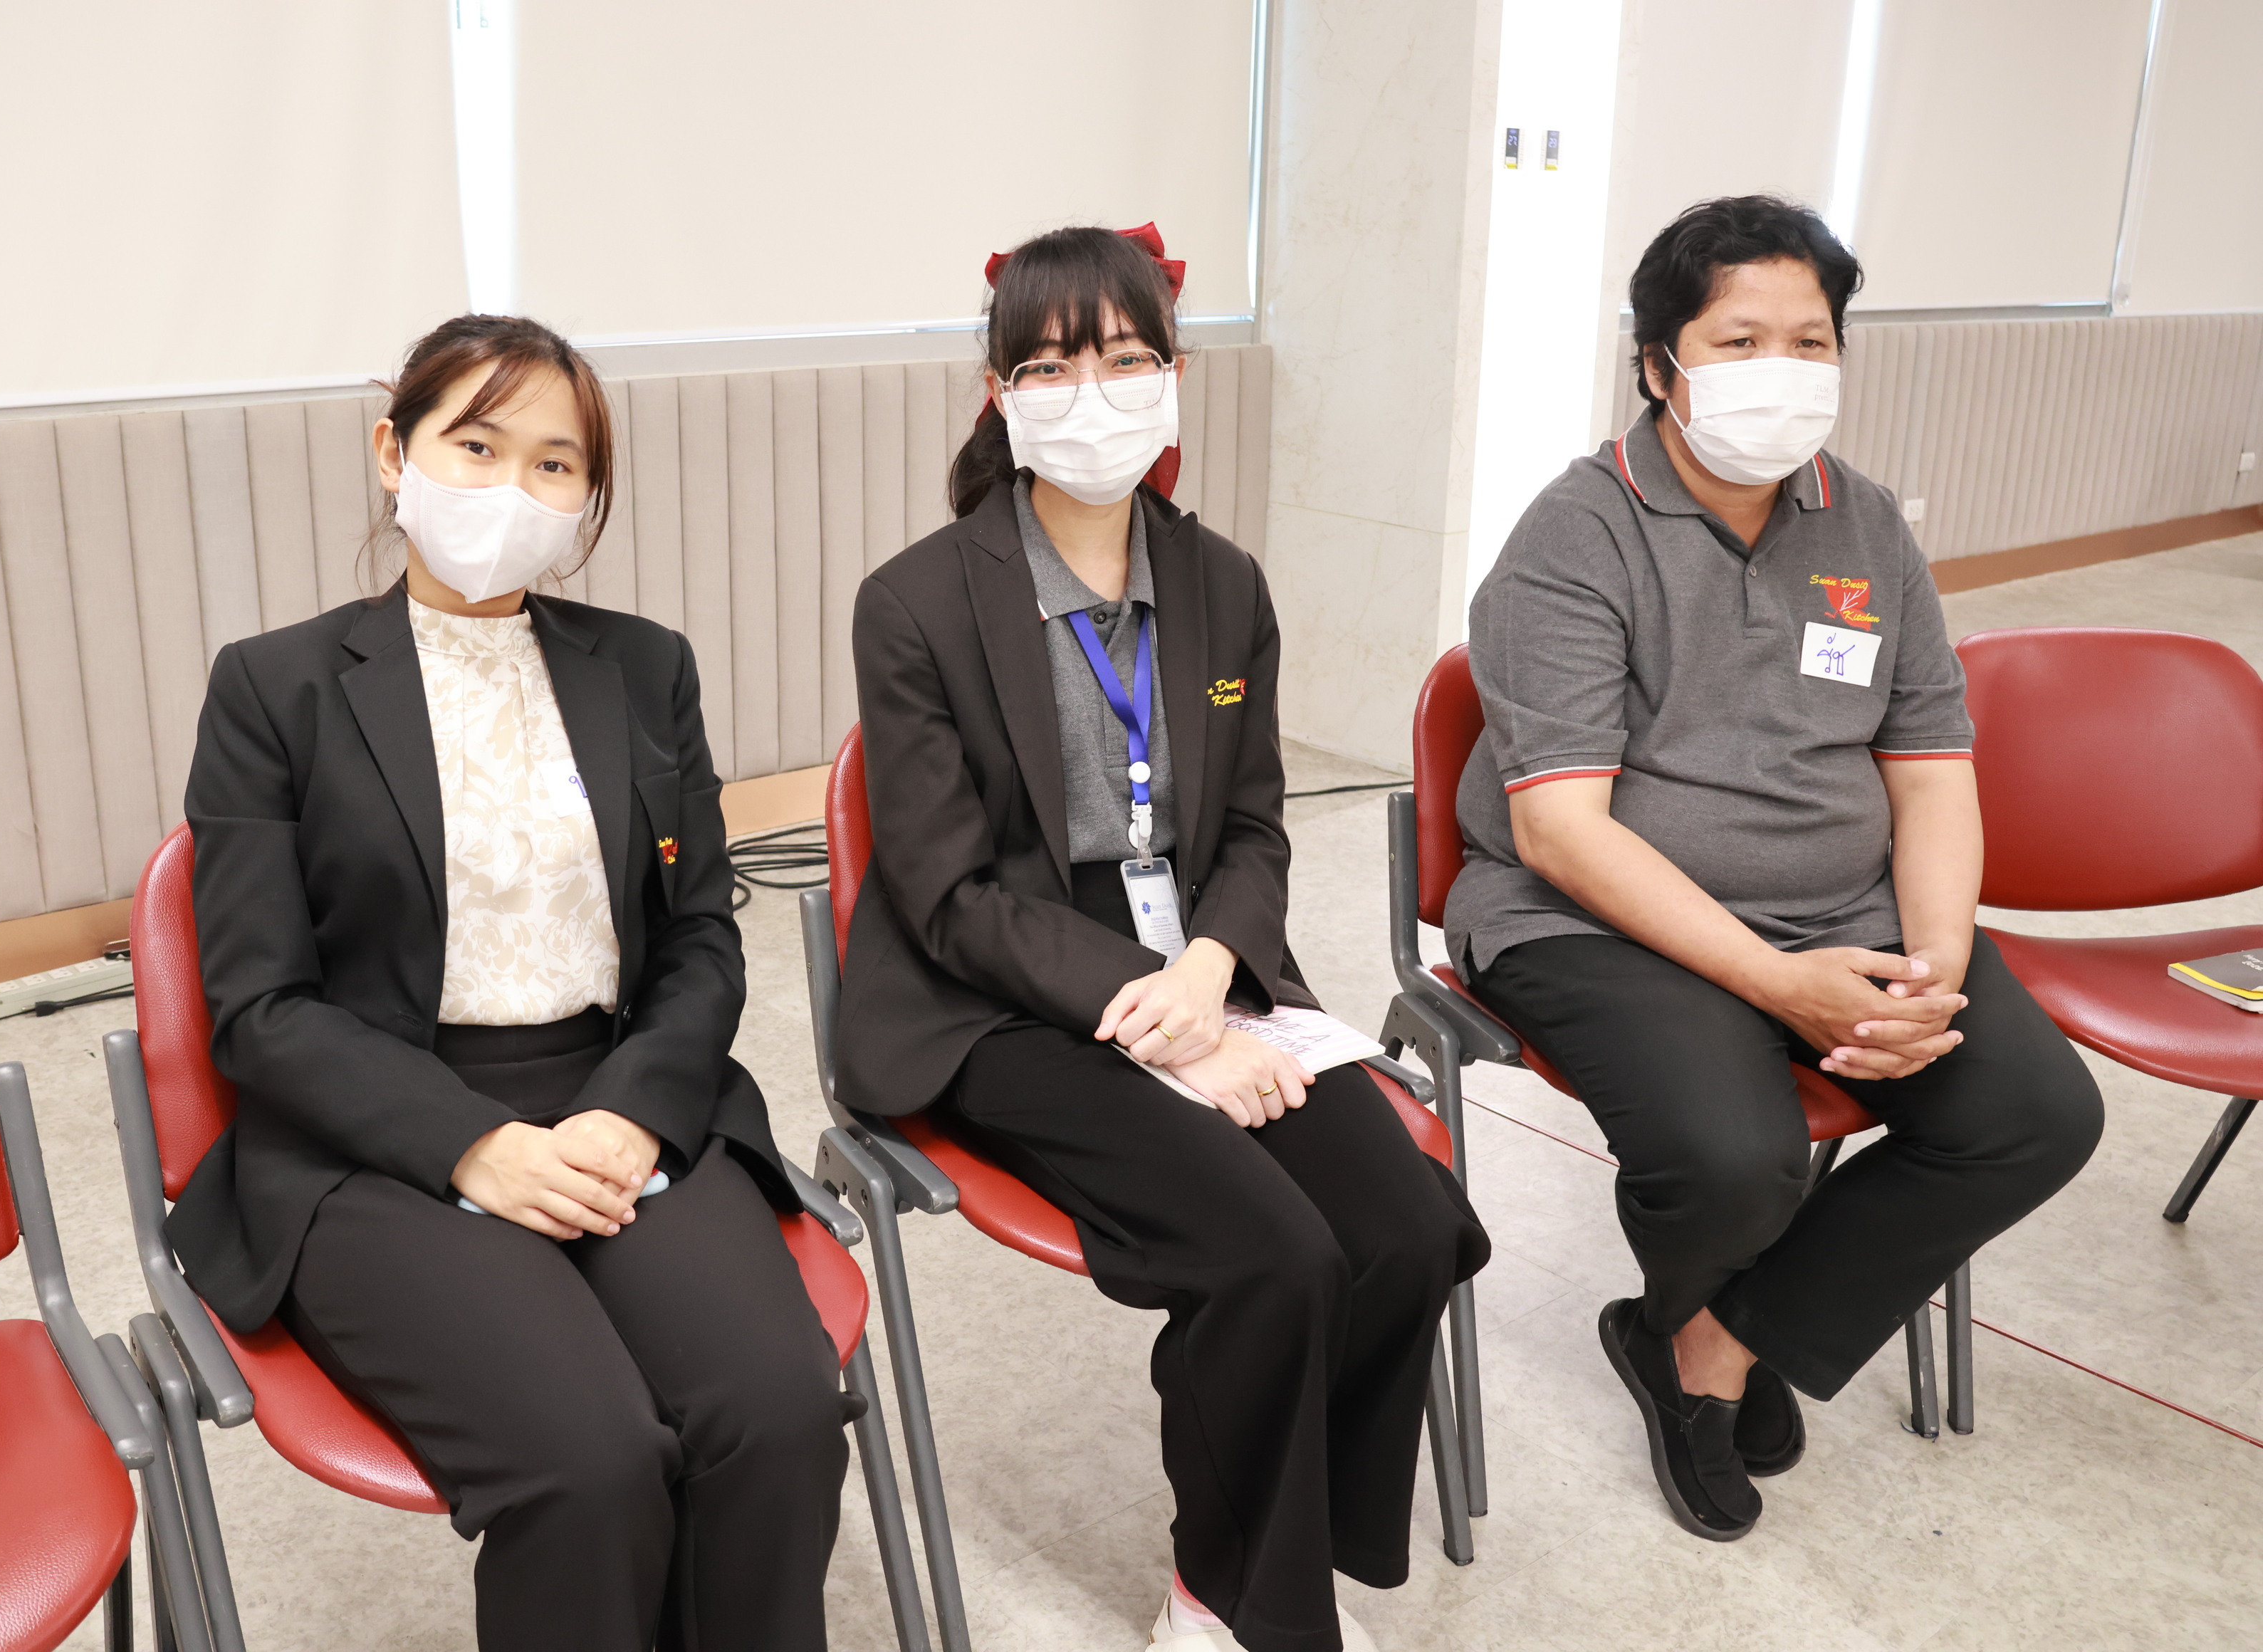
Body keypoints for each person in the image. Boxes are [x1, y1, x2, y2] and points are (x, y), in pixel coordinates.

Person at [841, 224, 1489, 1652]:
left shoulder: (1223, 583)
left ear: (1175, 374)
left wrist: (1207, 976)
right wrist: (1166, 1025)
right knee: (1273, 1254)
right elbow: (948, 894)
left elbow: (1254, 828)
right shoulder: (918, 602)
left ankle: (1290, 1547)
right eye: (1051, 366)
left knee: (1409, 1229)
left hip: (1196, 959)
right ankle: (1231, 1597)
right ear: (1000, 393)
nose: (1096, 392)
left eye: (1129, 358)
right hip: (1000, 990)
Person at [165, 315, 847, 1649]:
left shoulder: (645, 666)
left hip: (616, 1091)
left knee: (777, 1415)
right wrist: (470, 1144)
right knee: (589, 1463)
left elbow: (701, 938)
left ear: (585, 498)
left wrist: (635, 1110)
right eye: (475, 448)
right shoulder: (274, 688)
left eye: (553, 464)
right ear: (393, 453)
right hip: (377, 1127)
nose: (510, 490)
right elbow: (259, 1009)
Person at [1448, 196, 2103, 1541]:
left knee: (2035, 1116)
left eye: (1810, 342)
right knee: (1734, 1157)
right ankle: (1713, 1333)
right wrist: (1779, 983)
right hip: (1595, 919)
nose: (1781, 371)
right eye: (1738, 341)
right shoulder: (1575, 535)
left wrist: (1931, 969)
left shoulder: (1867, 526)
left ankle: (1706, 1341)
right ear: (1658, 365)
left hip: (1841, 908)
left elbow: (1932, 770)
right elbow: (1564, 829)